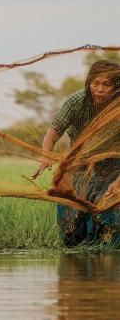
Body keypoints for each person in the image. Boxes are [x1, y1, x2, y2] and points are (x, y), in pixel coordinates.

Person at [32, 60, 120, 246]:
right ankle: (75, 252)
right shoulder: (77, 101)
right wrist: (46, 155)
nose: (100, 89)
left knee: (109, 213)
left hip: (113, 164)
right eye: (95, 84)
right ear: (88, 83)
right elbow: (53, 133)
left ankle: (105, 252)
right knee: (72, 213)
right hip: (80, 162)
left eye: (106, 84)